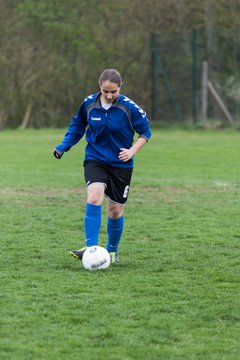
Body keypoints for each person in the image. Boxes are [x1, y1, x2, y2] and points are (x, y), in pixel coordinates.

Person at [53, 68, 151, 264]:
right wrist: (64, 146)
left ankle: (112, 251)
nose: (109, 95)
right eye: (105, 91)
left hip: (121, 164)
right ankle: (91, 249)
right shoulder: (89, 104)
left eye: (113, 91)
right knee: (94, 197)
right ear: (100, 87)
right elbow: (77, 126)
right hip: (95, 159)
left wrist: (131, 151)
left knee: (115, 211)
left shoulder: (129, 108)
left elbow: (145, 132)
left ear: (120, 88)